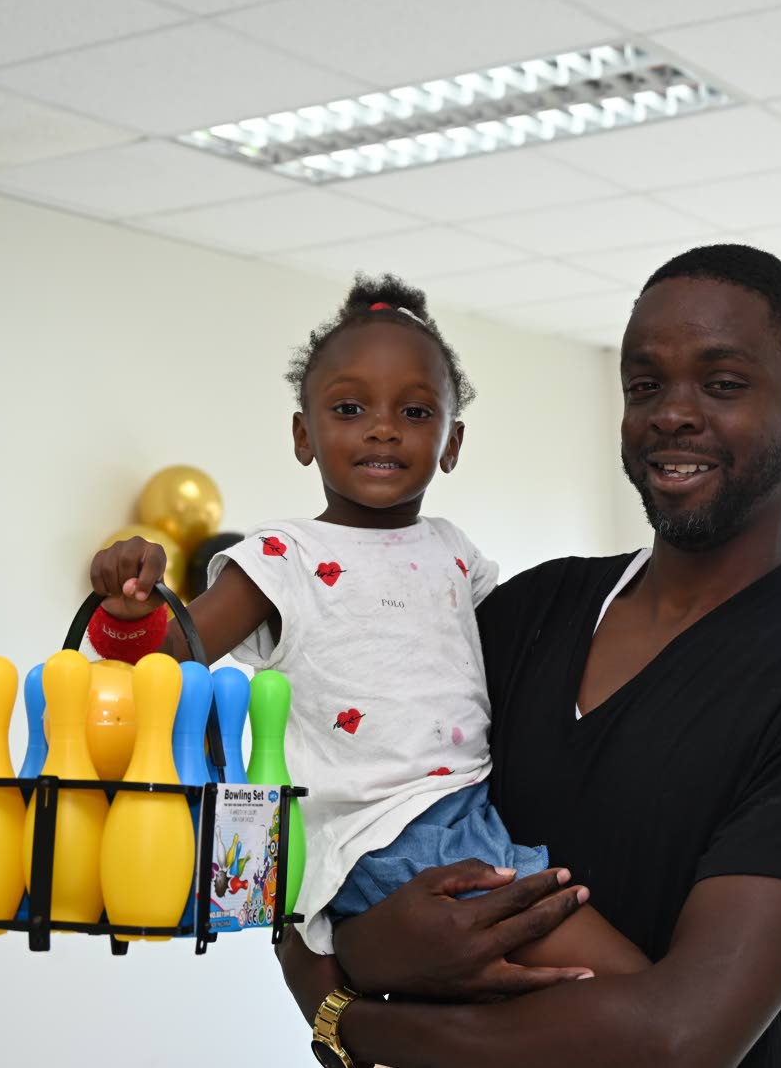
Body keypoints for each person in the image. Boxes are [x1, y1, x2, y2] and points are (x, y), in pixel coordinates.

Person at [277, 244, 781, 1068]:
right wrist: (367, 947)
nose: (672, 414)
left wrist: (357, 1015)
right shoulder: (519, 617)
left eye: (722, 384)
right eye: (644, 386)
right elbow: (326, 797)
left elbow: (681, 1040)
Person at [85, 274, 648, 978]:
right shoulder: (281, 558)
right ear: (304, 433)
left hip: (472, 812)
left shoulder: (454, 551)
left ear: (451, 442)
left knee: (572, 1009)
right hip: (379, 838)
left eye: (415, 412)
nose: (383, 427)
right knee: (628, 986)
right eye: (350, 407)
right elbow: (168, 660)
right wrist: (131, 609)